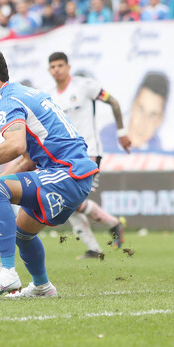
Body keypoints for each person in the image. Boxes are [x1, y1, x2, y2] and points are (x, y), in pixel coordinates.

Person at [0, 47, 98, 298]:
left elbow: (15, 146)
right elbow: (27, 158)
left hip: (67, 172)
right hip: (70, 173)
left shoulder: (6, 100)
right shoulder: (22, 93)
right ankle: (42, 287)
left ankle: (7, 272)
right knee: (22, 234)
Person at [46, 52, 129, 259]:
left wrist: (121, 132)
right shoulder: (51, 98)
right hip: (65, 157)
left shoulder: (85, 86)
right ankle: (98, 244)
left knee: (70, 201)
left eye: (60, 65)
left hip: (89, 153)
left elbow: (114, 102)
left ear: (68, 67)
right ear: (49, 70)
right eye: (53, 66)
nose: (57, 69)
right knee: (67, 204)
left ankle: (110, 227)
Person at [101, 71, 169, 152]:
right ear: (133, 105)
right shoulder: (103, 139)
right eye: (141, 109)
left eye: (153, 115)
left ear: (160, 120)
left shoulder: (157, 150)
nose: (143, 122)